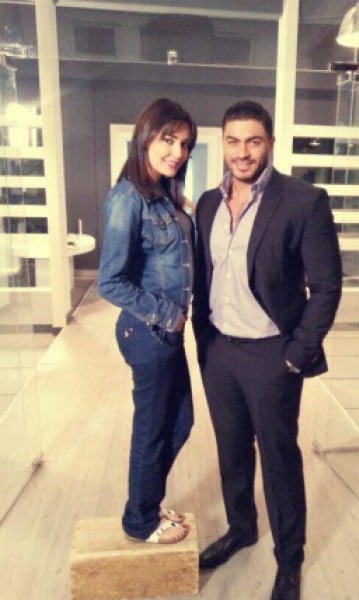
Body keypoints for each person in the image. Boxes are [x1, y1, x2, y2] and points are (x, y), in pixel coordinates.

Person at [192, 100, 342, 599]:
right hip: (220, 351)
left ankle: (289, 560)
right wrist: (204, 342)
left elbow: (327, 287)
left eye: (253, 141)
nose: (242, 152)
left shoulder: (303, 201)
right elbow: (204, 277)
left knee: (278, 460)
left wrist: (296, 355)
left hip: (271, 356)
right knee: (231, 449)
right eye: (233, 141)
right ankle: (241, 529)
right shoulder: (208, 204)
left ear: (270, 144)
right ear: (223, 143)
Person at [98, 98, 197, 545]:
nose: (177, 151)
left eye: (185, 144)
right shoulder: (128, 198)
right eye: (168, 139)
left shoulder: (165, 198)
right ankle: (139, 520)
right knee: (153, 431)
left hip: (166, 333)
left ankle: (147, 502)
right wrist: (168, 315)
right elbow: (110, 281)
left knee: (180, 422)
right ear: (146, 137)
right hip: (148, 331)